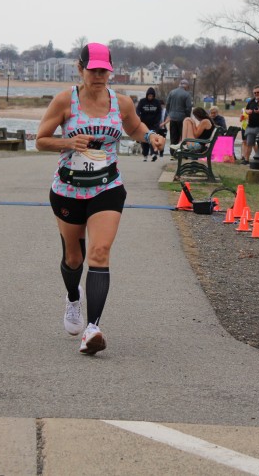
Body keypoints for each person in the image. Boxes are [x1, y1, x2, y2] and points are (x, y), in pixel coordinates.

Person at [35, 42, 166, 355]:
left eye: (103, 71)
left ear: (110, 71)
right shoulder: (65, 100)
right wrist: (69, 143)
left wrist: (151, 136)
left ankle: (92, 329)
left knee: (100, 251)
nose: (98, 76)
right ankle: (73, 298)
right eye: (92, 70)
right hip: (68, 189)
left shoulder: (121, 102)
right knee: (74, 258)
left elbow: (134, 128)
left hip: (107, 186)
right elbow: (40, 140)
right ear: (80, 69)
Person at [135, 87, 164, 161]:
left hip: (154, 124)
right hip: (144, 124)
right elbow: (138, 109)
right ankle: (145, 155)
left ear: (154, 96)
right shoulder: (142, 101)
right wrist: (138, 115)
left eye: (151, 96)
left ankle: (154, 154)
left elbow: (159, 113)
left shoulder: (157, 102)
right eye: (149, 96)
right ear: (147, 95)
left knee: (153, 139)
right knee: (145, 139)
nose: (150, 97)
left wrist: (157, 123)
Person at [162, 79, 192, 145]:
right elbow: (188, 107)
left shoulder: (172, 92)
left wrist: (170, 113)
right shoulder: (187, 94)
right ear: (186, 86)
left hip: (172, 118)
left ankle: (173, 150)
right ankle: (181, 150)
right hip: (182, 119)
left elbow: (167, 104)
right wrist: (187, 117)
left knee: (173, 138)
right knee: (183, 138)